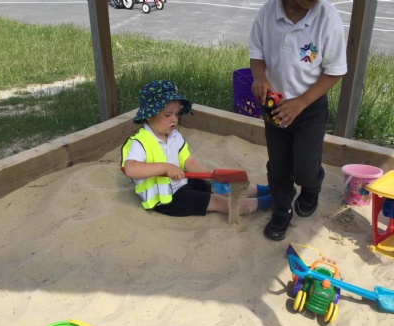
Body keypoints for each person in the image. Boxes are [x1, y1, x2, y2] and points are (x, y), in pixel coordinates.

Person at [249, 0, 347, 240]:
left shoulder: (327, 17)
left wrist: (302, 102)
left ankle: (311, 187)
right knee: (279, 165)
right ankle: (282, 208)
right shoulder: (268, 13)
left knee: (305, 170)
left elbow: (334, 71)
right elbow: (257, 54)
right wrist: (260, 77)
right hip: (274, 107)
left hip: (310, 109)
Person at [121, 79, 272, 217]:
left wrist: (210, 177)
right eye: (167, 115)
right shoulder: (140, 142)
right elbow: (131, 169)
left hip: (184, 182)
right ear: (149, 115)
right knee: (218, 201)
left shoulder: (174, 136)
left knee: (221, 187)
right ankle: (268, 202)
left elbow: (189, 163)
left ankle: (264, 190)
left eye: (177, 114)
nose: (174, 119)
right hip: (166, 198)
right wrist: (165, 168)